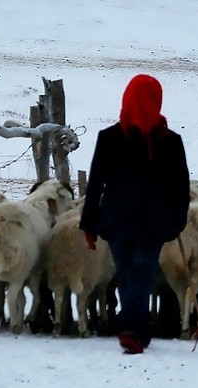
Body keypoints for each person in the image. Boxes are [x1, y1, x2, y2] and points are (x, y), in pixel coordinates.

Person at [79, 74, 191, 354]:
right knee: (139, 274)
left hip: (117, 220)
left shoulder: (110, 138)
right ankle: (132, 328)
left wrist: (90, 223)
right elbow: (181, 187)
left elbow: (95, 185)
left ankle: (135, 328)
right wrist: (176, 220)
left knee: (130, 274)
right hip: (151, 223)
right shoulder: (170, 140)